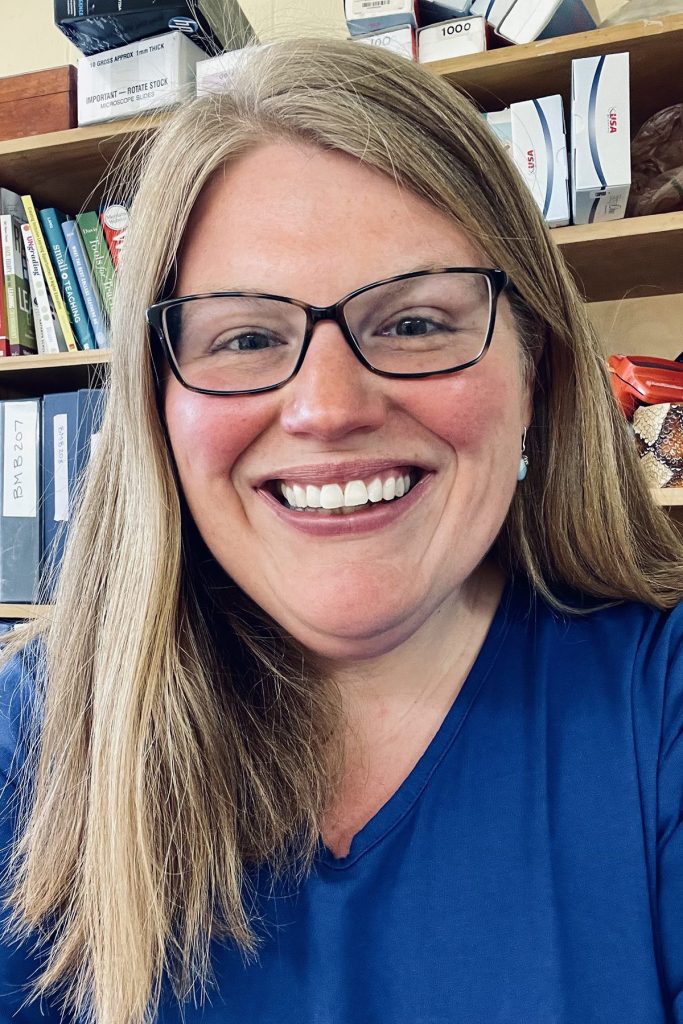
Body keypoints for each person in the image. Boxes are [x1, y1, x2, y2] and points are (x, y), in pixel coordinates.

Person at [1, 37, 682, 1024]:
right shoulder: (37, 742)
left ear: (534, 371)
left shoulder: (653, 711)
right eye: (242, 337)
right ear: (157, 406)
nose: (325, 407)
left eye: (412, 323)